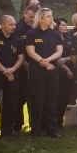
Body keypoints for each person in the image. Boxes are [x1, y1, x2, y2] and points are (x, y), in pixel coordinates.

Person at [24, 8, 64, 138]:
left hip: (52, 70)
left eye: (52, 16)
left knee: (51, 100)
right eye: (48, 16)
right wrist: (43, 62)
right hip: (37, 71)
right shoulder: (32, 33)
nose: (51, 18)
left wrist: (48, 60)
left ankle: (51, 130)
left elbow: (59, 52)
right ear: (41, 18)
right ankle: (35, 130)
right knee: (38, 100)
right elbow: (30, 52)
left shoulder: (55, 34)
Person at [13, 4, 39, 133]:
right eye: (30, 16)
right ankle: (17, 125)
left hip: (38, 68)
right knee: (20, 97)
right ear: (24, 14)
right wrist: (24, 64)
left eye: (35, 17)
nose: (32, 19)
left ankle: (35, 124)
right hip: (21, 68)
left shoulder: (39, 29)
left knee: (36, 97)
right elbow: (16, 49)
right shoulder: (17, 29)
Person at [54, 18, 75, 129]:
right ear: (57, 26)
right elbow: (57, 59)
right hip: (57, 71)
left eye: (66, 24)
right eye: (63, 25)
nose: (66, 26)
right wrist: (67, 70)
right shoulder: (53, 38)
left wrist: (66, 59)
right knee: (57, 97)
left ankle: (59, 121)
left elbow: (74, 55)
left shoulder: (69, 38)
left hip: (69, 70)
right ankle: (53, 121)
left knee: (66, 97)